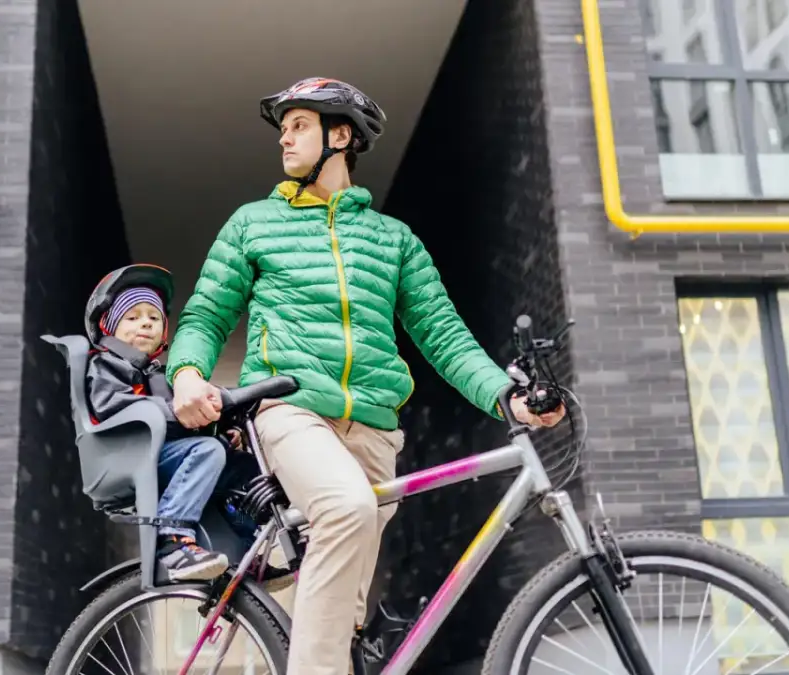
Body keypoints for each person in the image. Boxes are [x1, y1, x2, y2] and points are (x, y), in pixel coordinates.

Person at [165, 78, 566, 675]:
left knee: (348, 613)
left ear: (341, 135)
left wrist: (507, 398)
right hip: (291, 409)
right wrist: (188, 374)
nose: (286, 140)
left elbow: (444, 337)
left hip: (376, 432)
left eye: (300, 126)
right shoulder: (254, 224)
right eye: (283, 130)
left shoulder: (392, 240)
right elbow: (205, 315)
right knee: (346, 510)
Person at [84, 263, 231, 583]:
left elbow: (179, 416)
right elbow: (110, 406)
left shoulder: (159, 376)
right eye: (132, 317)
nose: (145, 324)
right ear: (109, 327)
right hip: (125, 455)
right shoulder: (106, 365)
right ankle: (172, 539)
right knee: (207, 451)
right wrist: (172, 411)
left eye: (153, 318)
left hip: (155, 455)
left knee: (230, 457)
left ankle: (246, 547)